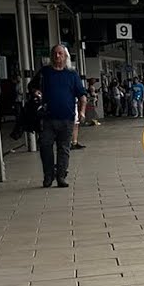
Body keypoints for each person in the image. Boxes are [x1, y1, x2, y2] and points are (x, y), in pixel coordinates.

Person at [31, 44, 86, 188]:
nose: (57, 56)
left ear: (66, 56)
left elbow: (82, 95)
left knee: (64, 148)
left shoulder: (72, 74)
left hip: (67, 118)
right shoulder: (45, 72)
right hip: (47, 118)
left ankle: (61, 175)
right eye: (55, 53)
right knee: (45, 147)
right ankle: (48, 176)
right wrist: (36, 92)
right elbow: (32, 86)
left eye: (60, 53)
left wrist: (82, 111)